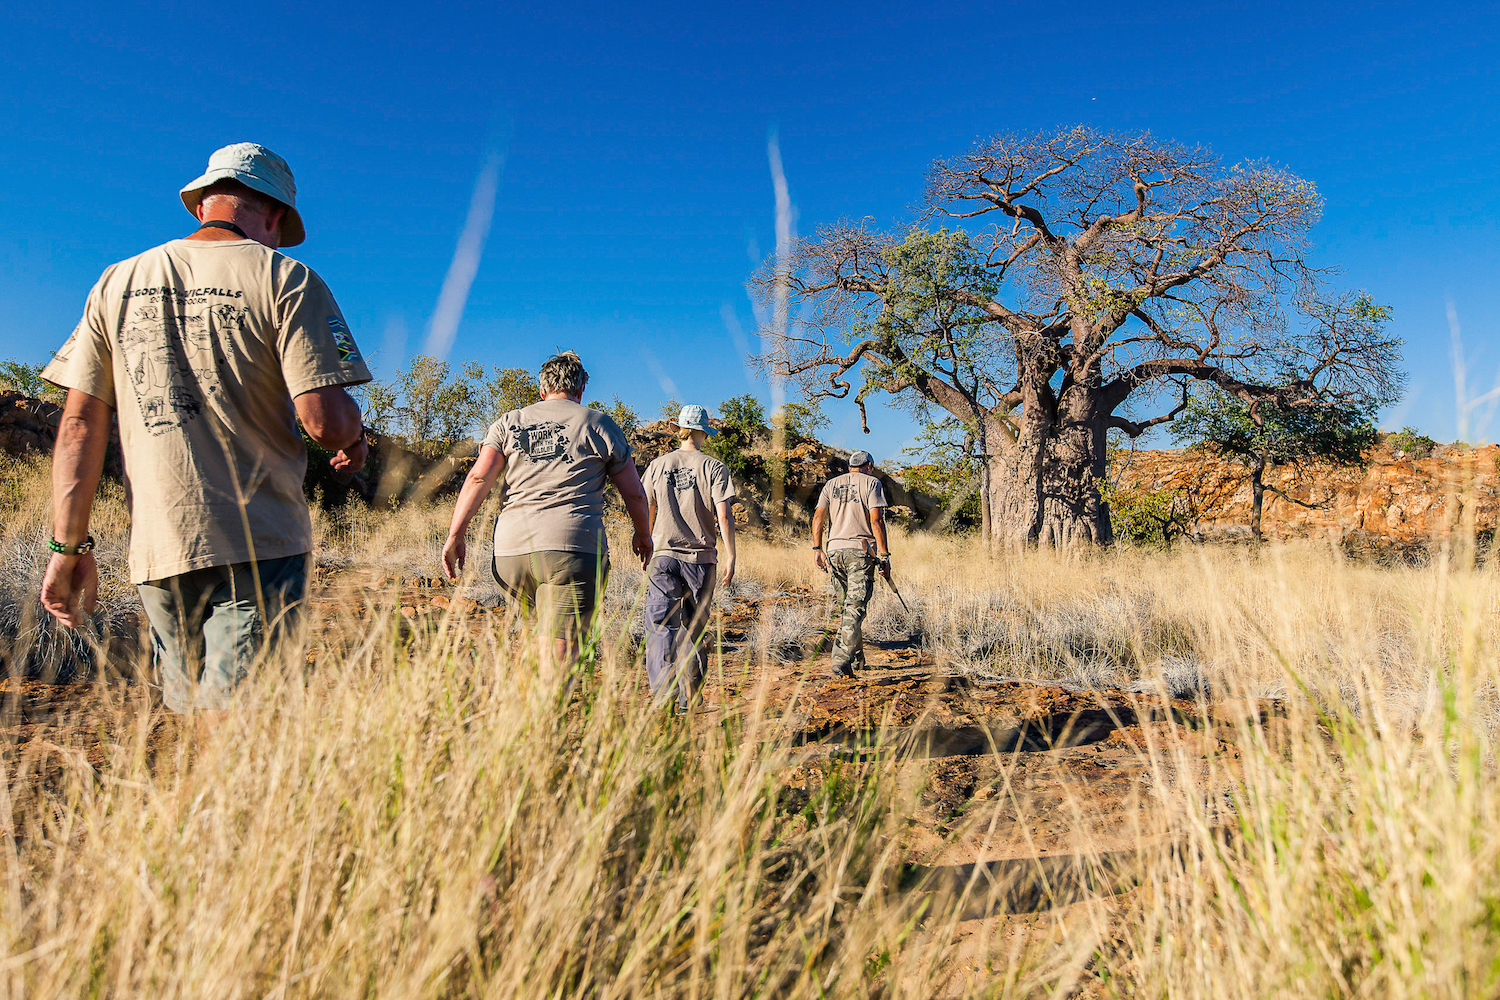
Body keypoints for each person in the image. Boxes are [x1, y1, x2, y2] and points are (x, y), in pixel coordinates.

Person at [39, 142, 371, 733]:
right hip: (259, 538)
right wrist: (356, 436)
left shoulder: (117, 282)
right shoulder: (286, 278)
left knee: (197, 712)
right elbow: (324, 420)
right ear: (273, 214)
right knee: (241, 726)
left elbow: (79, 425)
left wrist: (68, 549)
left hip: (160, 545)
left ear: (203, 205)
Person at [441, 351, 651, 665]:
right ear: (581, 390)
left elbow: (478, 477)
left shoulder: (509, 422)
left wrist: (455, 534)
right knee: (560, 652)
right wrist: (643, 534)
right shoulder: (598, 424)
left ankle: (522, 709)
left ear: (542, 391)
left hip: (512, 553)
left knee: (533, 637)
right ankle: (548, 712)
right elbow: (634, 494)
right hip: (573, 549)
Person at [641, 404, 737, 711]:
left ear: (681, 430)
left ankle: (662, 697)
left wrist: (643, 539)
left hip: (663, 557)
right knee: (694, 631)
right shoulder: (714, 467)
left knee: (660, 628)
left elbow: (646, 508)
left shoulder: (658, 465)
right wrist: (731, 554)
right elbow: (723, 514)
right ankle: (689, 702)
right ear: (701, 432)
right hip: (701, 559)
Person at [811, 450, 891, 679]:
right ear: (868, 466)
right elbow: (876, 520)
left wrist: (817, 549)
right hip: (859, 552)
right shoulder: (872, 483)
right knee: (855, 608)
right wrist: (884, 556)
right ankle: (840, 660)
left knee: (848, 607)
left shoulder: (831, 484)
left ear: (850, 467)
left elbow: (818, 517)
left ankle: (857, 660)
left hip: (834, 551)